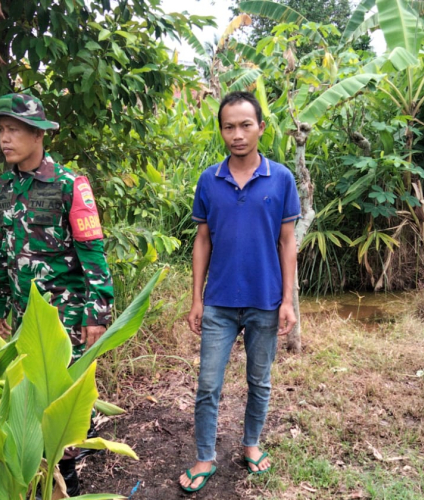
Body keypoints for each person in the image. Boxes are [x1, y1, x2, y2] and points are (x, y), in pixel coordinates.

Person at [0, 92, 114, 496]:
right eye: (1, 131)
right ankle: (47, 483)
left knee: (64, 414)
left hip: (68, 318)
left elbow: (93, 252)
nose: (5, 139)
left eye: (14, 130)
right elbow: (1, 251)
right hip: (26, 319)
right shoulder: (1, 188)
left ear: (39, 134)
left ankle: (67, 486)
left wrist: (97, 311)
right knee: (34, 403)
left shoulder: (70, 184)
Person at [178, 91, 300, 493]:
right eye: (229, 126)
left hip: (265, 302)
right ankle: (204, 456)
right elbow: (202, 240)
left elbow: (287, 243)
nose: (238, 134)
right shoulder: (209, 180)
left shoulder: (280, 178)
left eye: (246, 124)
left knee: (259, 381)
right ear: (221, 131)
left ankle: (251, 445)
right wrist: (196, 299)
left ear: (261, 128)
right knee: (208, 384)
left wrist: (287, 301)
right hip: (218, 303)